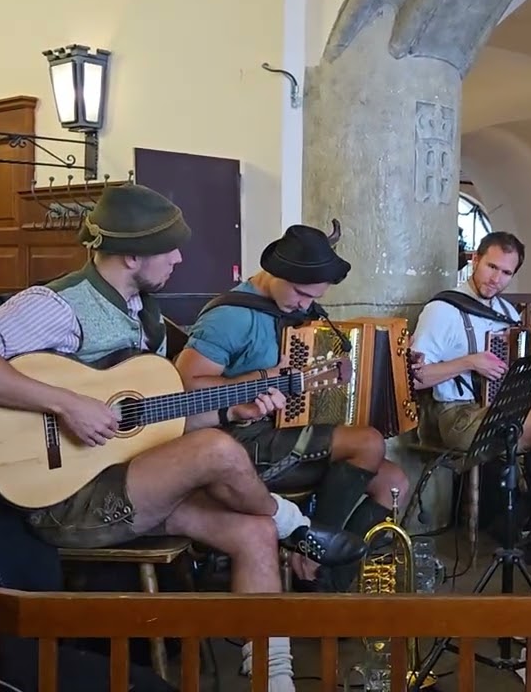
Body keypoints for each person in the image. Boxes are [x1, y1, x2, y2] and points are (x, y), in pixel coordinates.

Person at [0, 185, 364, 692]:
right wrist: (66, 403)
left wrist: (232, 407)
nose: (180, 258)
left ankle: (275, 682)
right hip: (61, 497)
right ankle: (291, 520)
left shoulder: (145, 314)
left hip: (128, 479)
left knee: (251, 532)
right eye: (170, 248)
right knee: (217, 454)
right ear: (132, 253)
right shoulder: (58, 305)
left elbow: (157, 419)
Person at [175, 223, 409, 591]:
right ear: (274, 273)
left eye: (312, 296)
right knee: (367, 443)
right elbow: (186, 388)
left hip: (283, 435)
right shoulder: (231, 315)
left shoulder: (298, 311)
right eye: (301, 293)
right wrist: (258, 382)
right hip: (238, 444)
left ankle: (327, 592)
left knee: (393, 482)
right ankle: (313, 546)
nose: (305, 304)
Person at [410, 231, 531, 540]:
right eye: (491, 267)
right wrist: (469, 362)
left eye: (506, 273)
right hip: (459, 416)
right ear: (475, 260)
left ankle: (529, 519)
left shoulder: (507, 314)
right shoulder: (442, 310)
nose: (496, 279)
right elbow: (417, 376)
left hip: (507, 409)